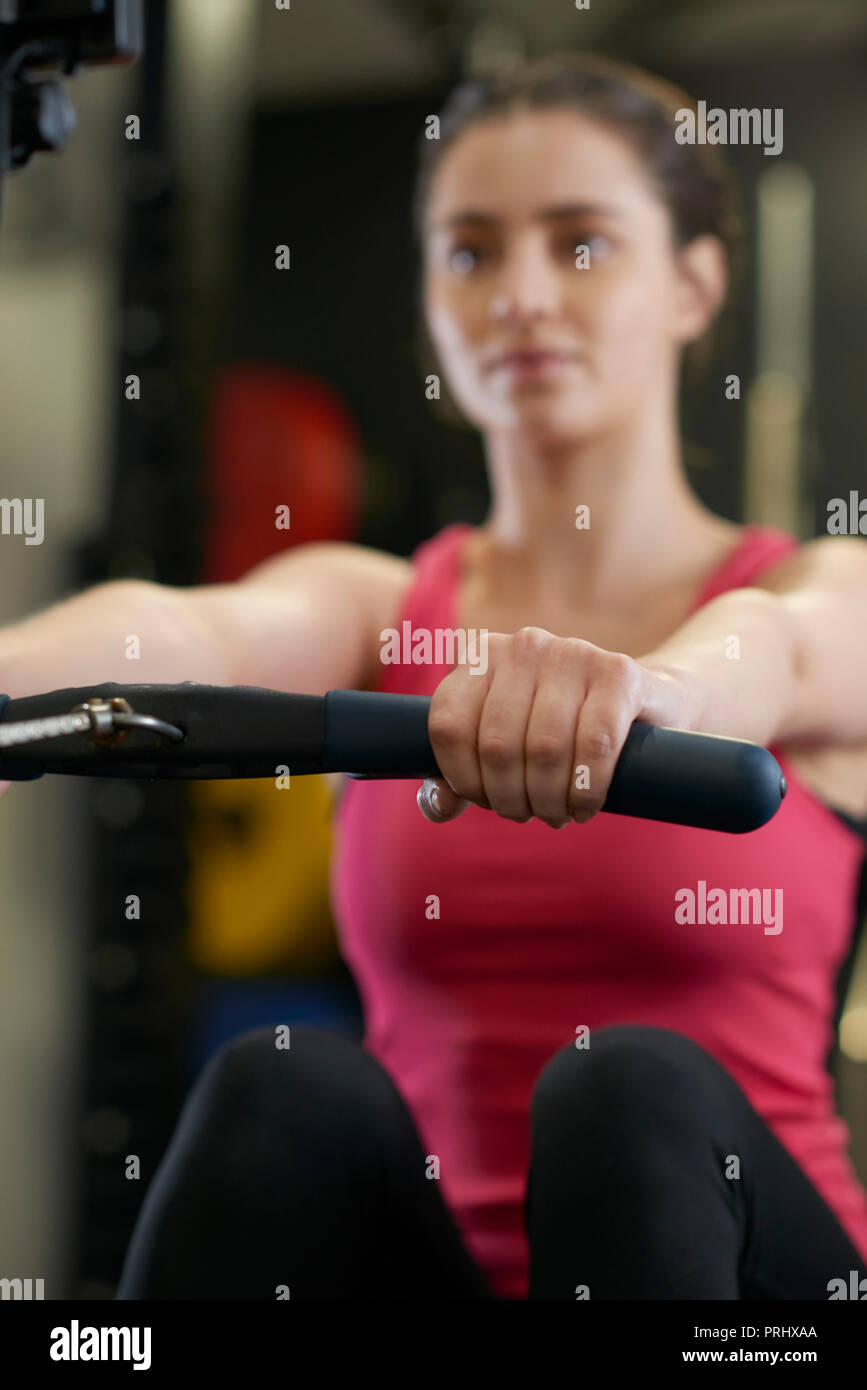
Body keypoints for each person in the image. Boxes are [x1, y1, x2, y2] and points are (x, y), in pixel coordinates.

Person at [3, 52, 867, 1300]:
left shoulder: (813, 589)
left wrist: (650, 699)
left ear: (693, 283)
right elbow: (202, 635)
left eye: (579, 244)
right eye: (469, 251)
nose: (519, 294)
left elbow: (776, 651)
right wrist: (11, 678)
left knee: (626, 1079)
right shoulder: (385, 608)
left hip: (752, 1298)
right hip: (441, 1287)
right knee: (282, 1077)